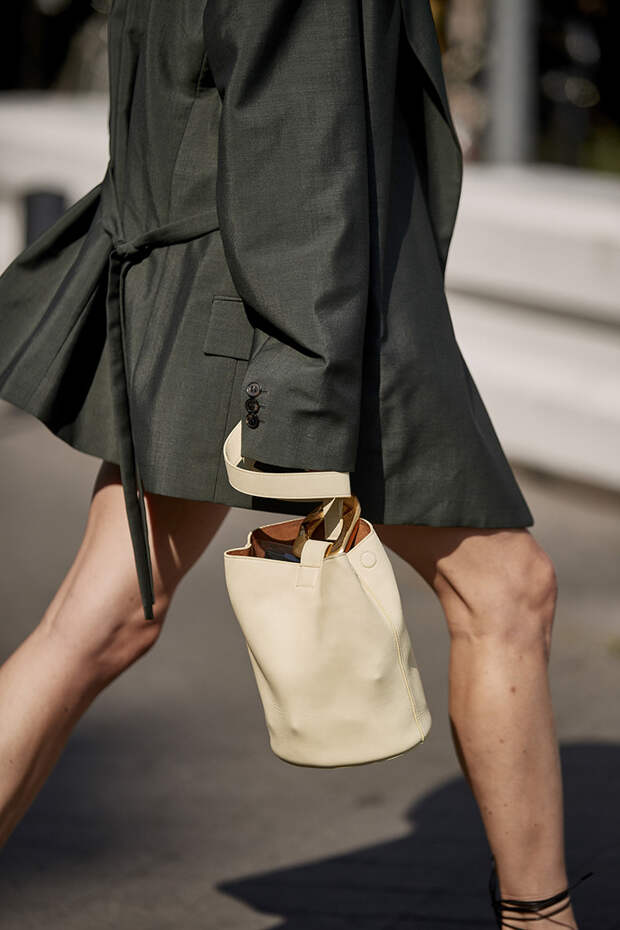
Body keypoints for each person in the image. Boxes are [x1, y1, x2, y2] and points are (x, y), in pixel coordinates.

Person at [0, 1, 592, 926]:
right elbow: (300, 149)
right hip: (299, 313)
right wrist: (304, 401)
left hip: (192, 292)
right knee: (508, 591)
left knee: (98, 620)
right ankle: (540, 918)